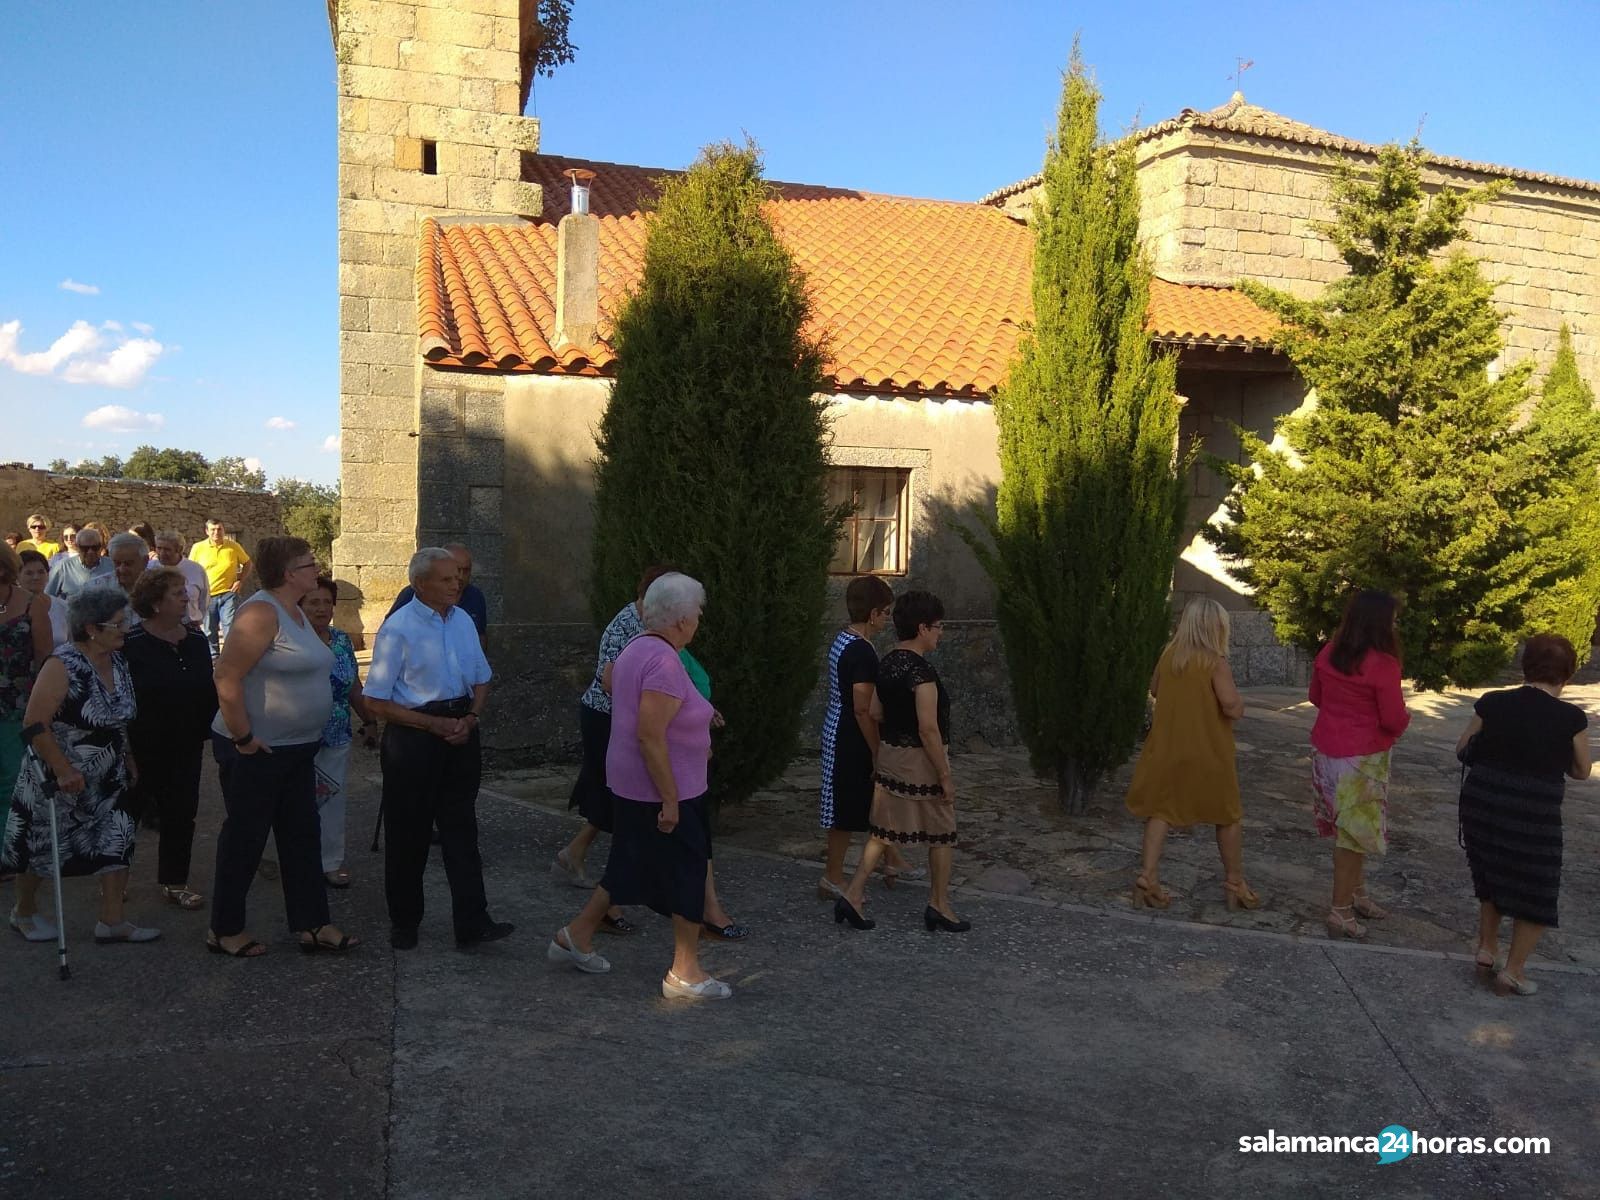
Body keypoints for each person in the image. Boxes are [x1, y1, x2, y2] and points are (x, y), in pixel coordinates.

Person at [547, 573, 732, 999]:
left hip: (632, 781)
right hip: (666, 789)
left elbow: (613, 685)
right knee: (687, 871)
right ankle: (685, 972)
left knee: (628, 864)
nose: (700, 620)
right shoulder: (665, 661)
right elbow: (651, 734)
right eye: (698, 613)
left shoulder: (637, 647)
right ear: (683, 619)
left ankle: (575, 936)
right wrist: (670, 799)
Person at [208, 536, 358, 958]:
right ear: (289, 573)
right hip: (259, 748)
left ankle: (312, 923)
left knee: (302, 836)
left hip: (298, 747)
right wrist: (243, 738)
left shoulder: (295, 612)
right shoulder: (260, 612)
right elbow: (227, 677)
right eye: (310, 564)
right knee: (245, 838)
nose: (317, 570)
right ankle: (224, 928)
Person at [364, 547, 511, 951]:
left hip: (461, 733)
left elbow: (481, 677)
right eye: (446, 578)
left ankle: (472, 921)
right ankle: (405, 922)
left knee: (462, 830)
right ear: (420, 584)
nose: (456, 583)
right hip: (413, 739)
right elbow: (375, 700)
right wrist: (433, 724)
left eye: (458, 576)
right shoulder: (399, 628)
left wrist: (472, 719)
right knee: (407, 833)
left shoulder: (462, 619)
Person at [4, 588, 159, 944]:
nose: (126, 629)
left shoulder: (117, 660)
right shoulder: (63, 664)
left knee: (118, 838)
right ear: (91, 628)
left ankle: (112, 920)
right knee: (42, 846)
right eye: (118, 623)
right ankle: (23, 911)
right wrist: (62, 769)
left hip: (108, 771)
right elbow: (34, 723)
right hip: (60, 771)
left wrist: (129, 756)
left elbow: (118, 716)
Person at [1455, 634, 1591, 997]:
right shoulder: (1571, 718)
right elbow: (1581, 770)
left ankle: (1487, 949)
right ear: (1567, 673)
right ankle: (1513, 972)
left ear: (1525, 665)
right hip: (1533, 811)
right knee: (1536, 886)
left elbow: (1463, 748)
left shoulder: (1493, 702)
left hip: (1483, 803)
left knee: (1491, 873)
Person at [835, 591, 968, 934]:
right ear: (923, 628)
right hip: (919, 761)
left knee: (883, 832)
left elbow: (877, 711)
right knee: (942, 832)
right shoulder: (921, 673)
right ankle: (939, 904)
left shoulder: (888, 661)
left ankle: (853, 892)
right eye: (938, 627)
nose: (941, 633)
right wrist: (944, 775)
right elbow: (928, 729)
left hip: (891, 756)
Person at [1124, 597, 1256, 910]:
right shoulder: (1215, 662)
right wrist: (1239, 706)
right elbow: (1230, 705)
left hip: (1167, 749)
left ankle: (1148, 875)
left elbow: (1154, 689)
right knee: (1228, 815)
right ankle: (1235, 882)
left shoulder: (1169, 655)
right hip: (1208, 752)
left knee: (1161, 811)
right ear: (1216, 627)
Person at [1308, 589, 1411, 940]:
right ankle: (1340, 911)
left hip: (1326, 756)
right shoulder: (1383, 665)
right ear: (1380, 624)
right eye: (1394, 620)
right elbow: (1393, 719)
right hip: (1362, 761)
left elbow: (1315, 697)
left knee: (1348, 831)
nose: (1397, 625)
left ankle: (1358, 894)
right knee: (1353, 838)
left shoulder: (1329, 652)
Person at [123, 568, 218, 910]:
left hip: (186, 744)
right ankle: (115, 881)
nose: (186, 597)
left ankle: (174, 881)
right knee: (127, 816)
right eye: (178, 593)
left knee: (181, 813)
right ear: (156, 602)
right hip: (141, 747)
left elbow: (209, 690)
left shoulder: (195, 641)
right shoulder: (130, 645)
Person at [818, 576, 916, 899]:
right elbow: (862, 708)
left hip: (839, 726)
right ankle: (833, 877)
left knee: (874, 800)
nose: (887, 619)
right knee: (847, 811)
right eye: (885, 612)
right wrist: (876, 749)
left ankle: (891, 858)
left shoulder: (844, 639)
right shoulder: (861, 651)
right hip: (850, 735)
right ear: (873, 613)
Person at [299, 575, 373, 889]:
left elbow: (353, 685)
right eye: (313, 602)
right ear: (299, 605)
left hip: (337, 732)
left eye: (326, 602)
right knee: (297, 801)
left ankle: (330, 862)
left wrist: (369, 720)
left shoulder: (341, 640)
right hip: (297, 733)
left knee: (331, 799)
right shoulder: (290, 638)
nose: (321, 608)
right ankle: (295, 860)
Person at [0, 544, 54, 838]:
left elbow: (44, 658)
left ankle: (7, 850)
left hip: (16, 706)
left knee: (11, 778)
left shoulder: (32, 604)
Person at [383, 542, 488, 644]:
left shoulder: (473, 599)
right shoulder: (409, 597)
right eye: (447, 579)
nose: (460, 577)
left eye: (466, 570)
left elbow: (480, 638)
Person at [190, 518, 253, 657]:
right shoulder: (198, 548)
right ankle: (214, 658)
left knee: (230, 627)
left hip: (229, 594)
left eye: (220, 529)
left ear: (224, 530)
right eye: (213, 529)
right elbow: (191, 569)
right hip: (207, 595)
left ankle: (231, 657)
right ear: (207, 531)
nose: (216, 532)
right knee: (210, 630)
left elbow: (248, 563)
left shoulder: (233, 546)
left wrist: (240, 581)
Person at [151, 531, 209, 626]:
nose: (162, 553)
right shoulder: (149, 568)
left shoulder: (196, 570)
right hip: (157, 626)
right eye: (159, 548)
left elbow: (204, 599)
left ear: (179, 549)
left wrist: (198, 618)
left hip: (190, 625)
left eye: (167, 549)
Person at [17, 551, 69, 648]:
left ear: (48, 575)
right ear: (17, 577)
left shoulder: (63, 607)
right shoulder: (10, 608)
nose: (36, 577)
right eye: (29, 573)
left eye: (41, 572)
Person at [45, 525, 111, 601]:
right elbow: (48, 596)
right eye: (85, 548)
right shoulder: (63, 567)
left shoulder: (112, 566)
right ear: (78, 548)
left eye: (94, 547)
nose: (90, 552)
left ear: (101, 547)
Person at [102, 533, 150, 625]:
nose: (122, 569)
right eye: (117, 563)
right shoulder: (95, 589)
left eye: (128, 564)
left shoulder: (161, 588)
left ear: (145, 561)